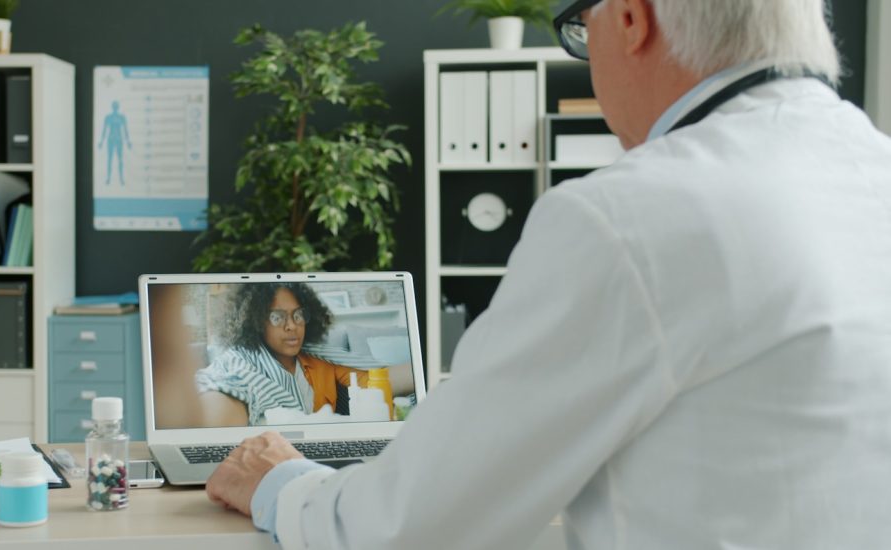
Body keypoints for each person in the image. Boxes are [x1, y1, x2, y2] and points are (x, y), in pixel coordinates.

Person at [205, 0, 891, 548]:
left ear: (631, 18)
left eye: (580, 33)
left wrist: (281, 483)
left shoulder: (626, 217)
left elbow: (411, 527)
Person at [195, 282, 413, 426]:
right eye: (277, 317)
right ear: (256, 323)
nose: (292, 325)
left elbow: (379, 380)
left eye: (298, 315)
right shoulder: (242, 364)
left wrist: (426, 368)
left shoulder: (321, 361)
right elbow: (226, 387)